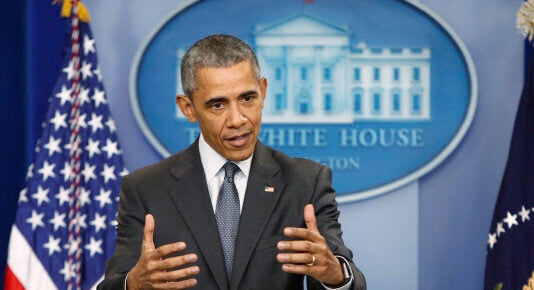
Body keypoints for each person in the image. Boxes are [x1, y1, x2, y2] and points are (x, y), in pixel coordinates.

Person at [98, 34, 366, 289]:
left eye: (247, 98)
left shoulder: (306, 181)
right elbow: (112, 285)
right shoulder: (145, 188)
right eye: (218, 105)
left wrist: (334, 273)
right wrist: (133, 283)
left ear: (263, 91)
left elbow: (348, 278)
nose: (238, 119)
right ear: (187, 108)